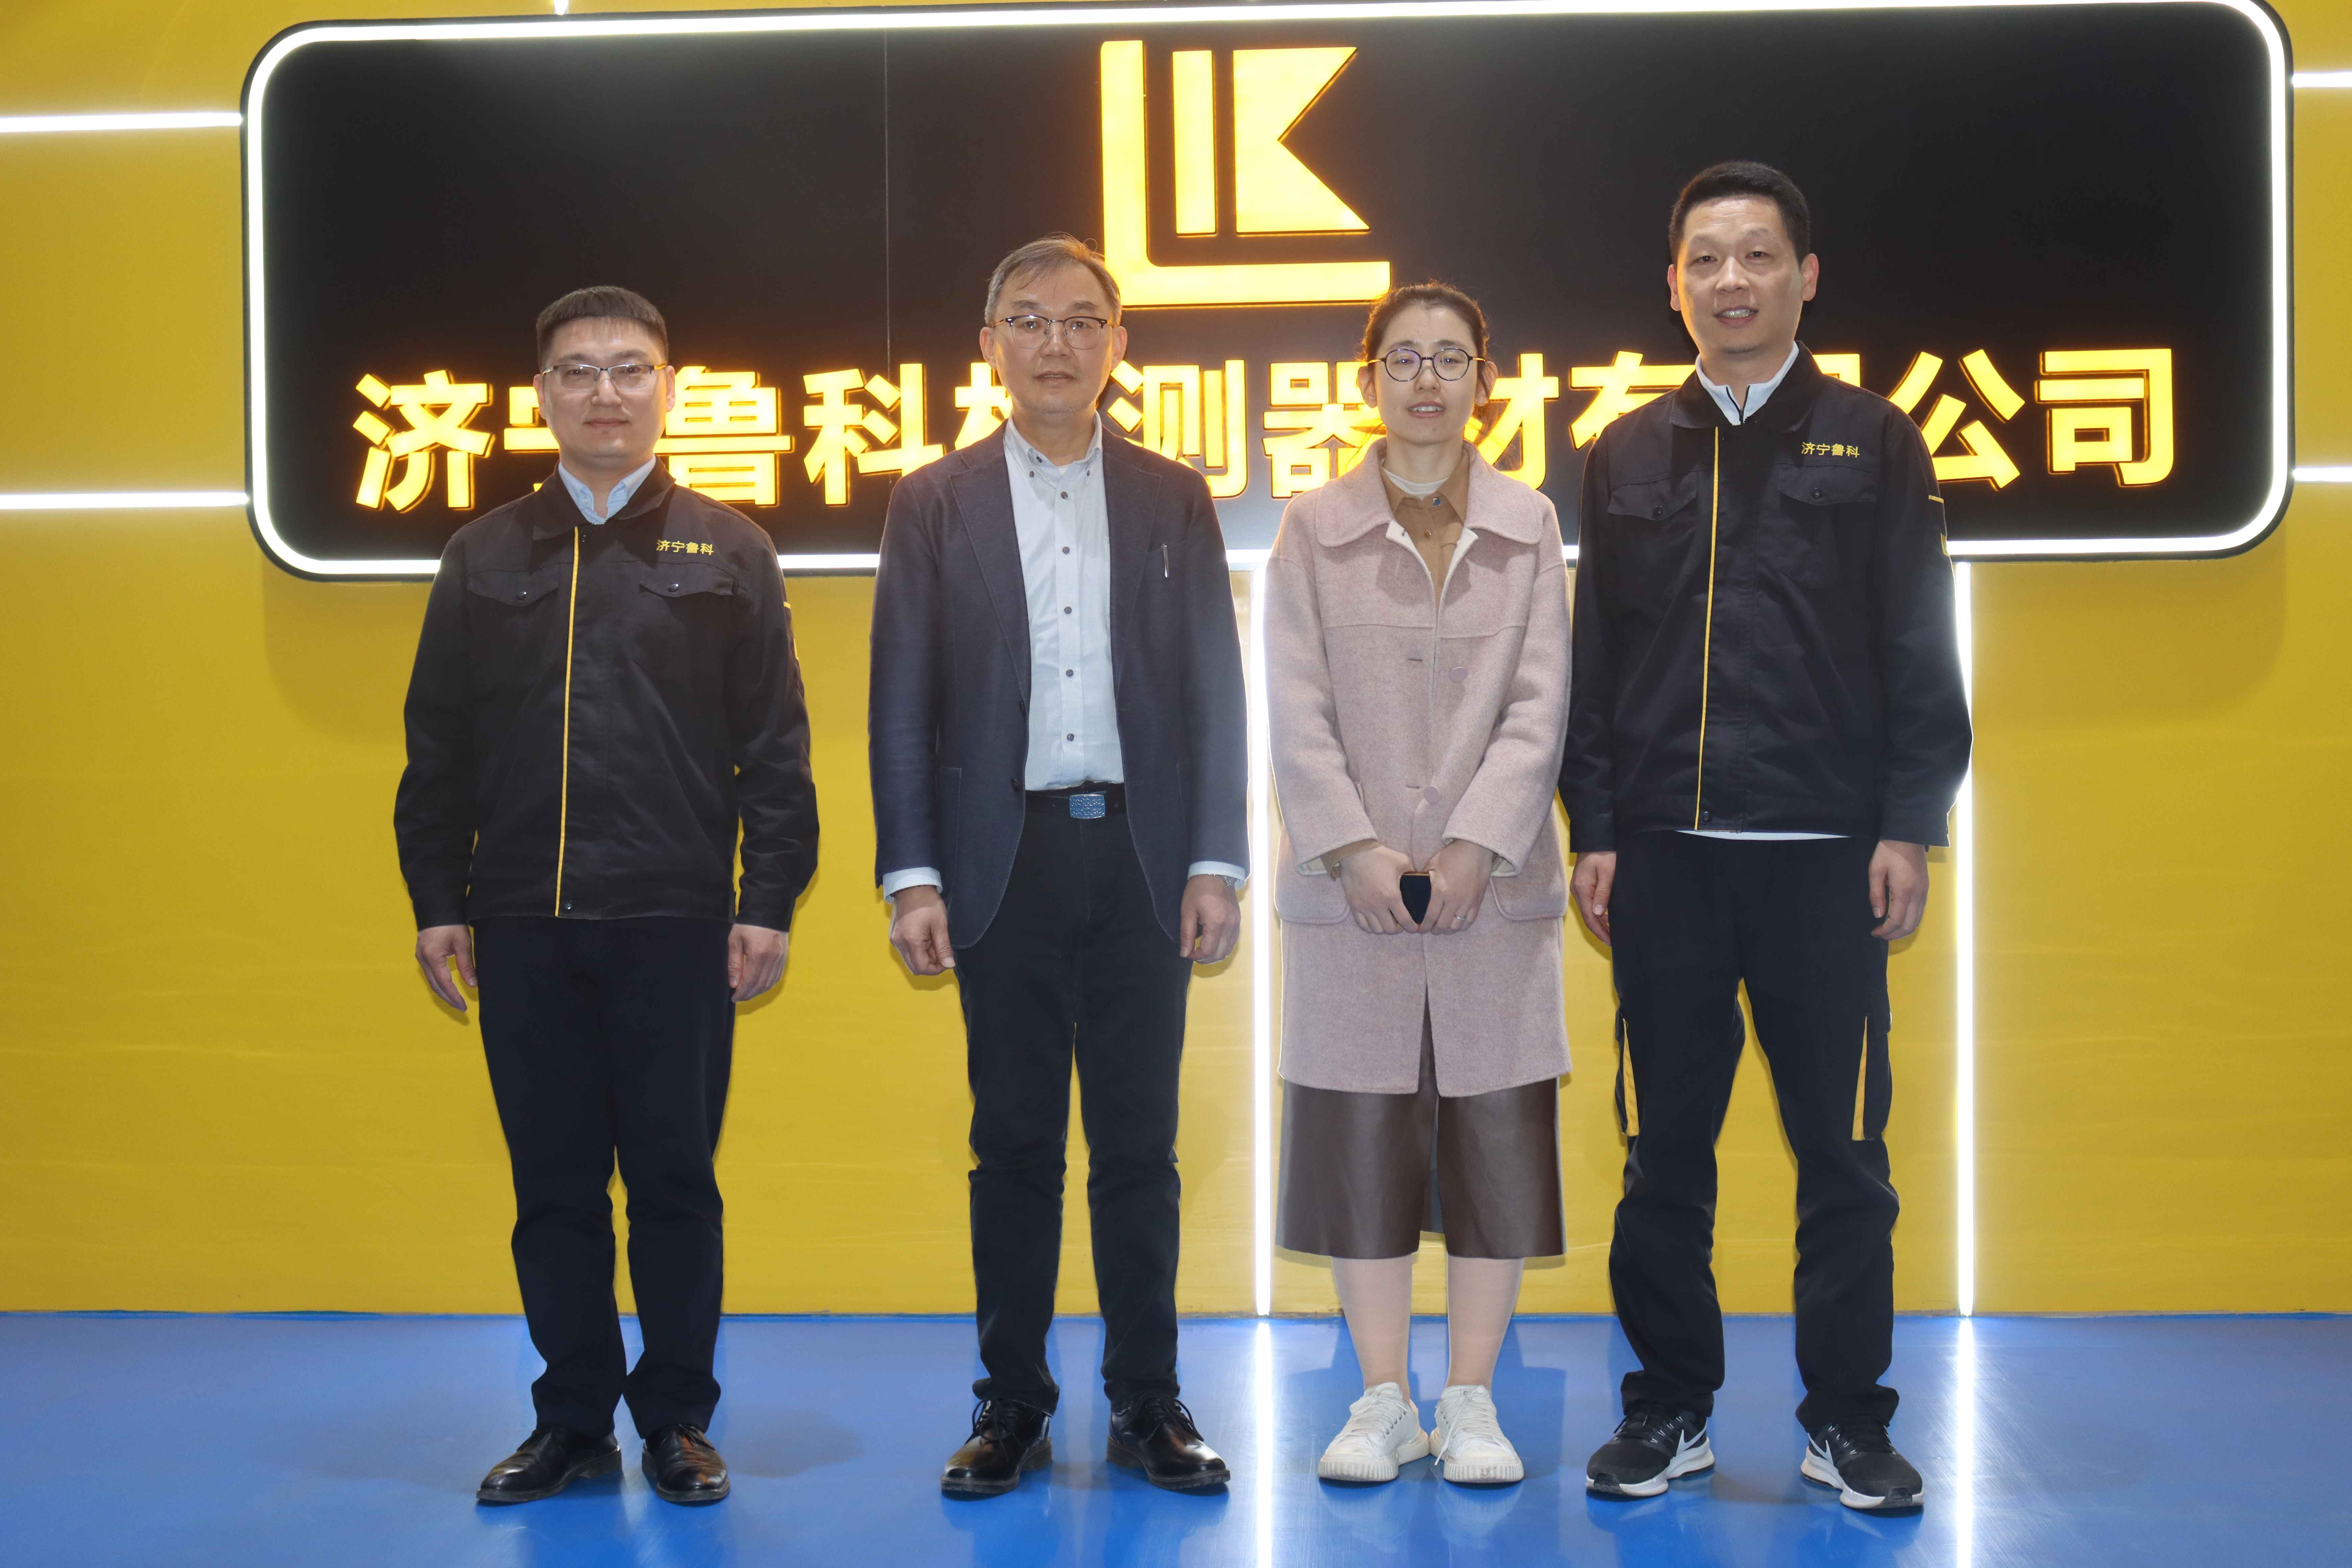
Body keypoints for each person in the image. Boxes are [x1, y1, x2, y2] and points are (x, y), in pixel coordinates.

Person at [1562, 163, 1971, 1511]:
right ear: (1673, 286)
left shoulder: (1873, 440)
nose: (1730, 280)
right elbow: (1594, 660)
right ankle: (1669, 1410)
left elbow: (1920, 643)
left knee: (1844, 1159)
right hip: (1666, 862)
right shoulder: (1626, 452)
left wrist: (1909, 824)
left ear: (1807, 275)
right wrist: (1597, 825)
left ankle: (1846, 1421)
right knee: (1663, 1158)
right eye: (1706, 259)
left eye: (1757, 255)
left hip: (1826, 864)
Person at [395, 286, 817, 1508]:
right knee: (555, 1192)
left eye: (630, 369)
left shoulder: (730, 550)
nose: (605, 393)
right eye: (578, 372)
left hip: (676, 922)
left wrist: (767, 899)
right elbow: (438, 748)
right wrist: (438, 899)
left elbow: (775, 750)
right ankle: (573, 1419)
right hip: (522, 922)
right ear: (542, 397)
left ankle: (677, 1421)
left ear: (669, 389)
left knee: (677, 1185)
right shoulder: (484, 556)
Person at [868, 236, 1250, 1497]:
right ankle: (1013, 1406)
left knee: (1141, 1148)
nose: (1056, 343)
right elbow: (901, 701)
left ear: (1118, 346)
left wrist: (1215, 860)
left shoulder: (1171, 495)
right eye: (1028, 321)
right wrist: (913, 874)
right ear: (989, 347)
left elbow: (1213, 685)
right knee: (1016, 1146)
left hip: (1143, 857)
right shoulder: (934, 502)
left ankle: (1148, 1402)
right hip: (1003, 859)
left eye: (1083, 321)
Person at [1265, 283, 1572, 1487]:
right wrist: (1351, 848)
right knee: (1361, 1141)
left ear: (1486, 380)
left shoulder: (1530, 524)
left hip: (1494, 892)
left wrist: (1477, 844)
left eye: (1451, 358)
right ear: (1369, 381)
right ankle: (1384, 1400)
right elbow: (1294, 706)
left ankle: (1474, 1402)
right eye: (1404, 359)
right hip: (1352, 896)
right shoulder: (1313, 528)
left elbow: (1542, 703)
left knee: (1497, 1142)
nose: (1428, 380)